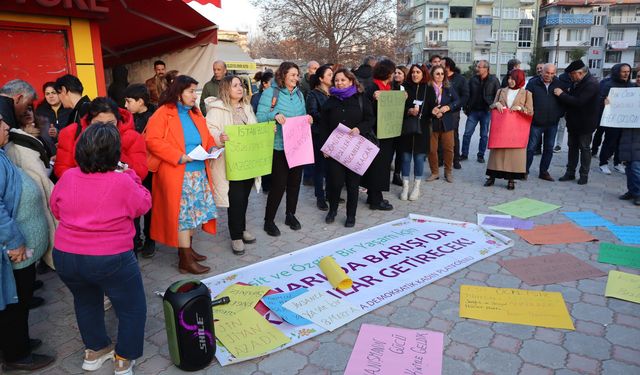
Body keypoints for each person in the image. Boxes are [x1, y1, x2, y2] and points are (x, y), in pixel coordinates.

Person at [51, 123, 150, 375]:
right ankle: (124, 359)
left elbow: (56, 209)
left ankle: (95, 351)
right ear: (115, 153)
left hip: (66, 256)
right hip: (110, 257)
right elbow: (143, 204)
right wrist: (129, 174)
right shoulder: (121, 181)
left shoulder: (69, 176)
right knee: (131, 306)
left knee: (85, 301)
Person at [145, 75, 217, 274]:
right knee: (183, 216)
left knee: (193, 214)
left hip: (198, 172)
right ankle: (185, 259)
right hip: (178, 172)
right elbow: (152, 141)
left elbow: (207, 137)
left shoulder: (195, 112)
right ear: (179, 93)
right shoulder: (163, 113)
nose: (195, 95)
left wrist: (212, 148)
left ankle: (187, 250)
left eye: (196, 91)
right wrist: (179, 156)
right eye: (191, 91)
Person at [0, 114, 55, 372]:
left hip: (21, 245)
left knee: (21, 299)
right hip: (14, 248)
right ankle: (16, 354)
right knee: (14, 301)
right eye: (0, 124)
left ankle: (17, 342)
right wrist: (14, 242)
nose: (6, 127)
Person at [205, 76, 261, 255]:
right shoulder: (217, 109)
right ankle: (236, 236)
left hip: (248, 161)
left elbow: (254, 127)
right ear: (225, 89)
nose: (240, 88)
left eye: (241, 85)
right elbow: (209, 131)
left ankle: (242, 228)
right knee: (235, 199)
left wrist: (265, 131)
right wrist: (219, 137)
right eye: (235, 85)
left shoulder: (247, 107)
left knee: (244, 197)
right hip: (230, 162)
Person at [257, 62, 311, 236]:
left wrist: (308, 119)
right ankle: (269, 220)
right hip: (279, 146)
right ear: (283, 75)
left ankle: (290, 214)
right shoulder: (270, 93)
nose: (296, 78)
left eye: (297, 75)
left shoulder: (299, 95)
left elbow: (301, 117)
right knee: (278, 185)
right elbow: (259, 117)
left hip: (298, 145)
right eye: (293, 75)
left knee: (295, 183)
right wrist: (274, 115)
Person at [320, 68, 374, 227]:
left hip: (354, 149)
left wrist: (359, 129)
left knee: (352, 185)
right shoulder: (330, 101)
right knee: (335, 183)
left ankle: (351, 215)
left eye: (343, 80)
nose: (339, 83)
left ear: (351, 81)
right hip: (335, 150)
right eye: (336, 80)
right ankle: (333, 210)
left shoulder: (361, 99)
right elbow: (323, 125)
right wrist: (325, 147)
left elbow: (370, 119)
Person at [5, 106, 57, 269]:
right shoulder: (16, 141)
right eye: (24, 110)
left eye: (30, 109)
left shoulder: (42, 130)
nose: (27, 113)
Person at [54, 97, 147, 180]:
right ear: (89, 121)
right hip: (84, 191)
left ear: (118, 120)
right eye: (99, 123)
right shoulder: (71, 133)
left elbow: (140, 173)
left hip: (117, 191)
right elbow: (62, 170)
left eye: (111, 123)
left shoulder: (133, 137)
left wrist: (114, 152)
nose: (105, 128)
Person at [485, 69, 533, 190]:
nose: (510, 81)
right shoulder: (501, 91)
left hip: (517, 128)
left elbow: (531, 112)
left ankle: (511, 179)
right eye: (509, 78)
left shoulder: (527, 93)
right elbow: (491, 106)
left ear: (520, 80)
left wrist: (520, 108)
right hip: (501, 127)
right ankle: (491, 177)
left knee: (514, 154)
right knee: (497, 153)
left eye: (514, 79)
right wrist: (496, 105)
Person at [124, 84, 157, 258]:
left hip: (150, 169)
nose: (126, 105)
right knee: (133, 207)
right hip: (132, 170)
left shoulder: (155, 117)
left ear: (140, 101)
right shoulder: (125, 118)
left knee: (150, 206)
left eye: (129, 101)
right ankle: (135, 240)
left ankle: (150, 240)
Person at [555, 60, 600, 185]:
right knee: (572, 148)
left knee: (584, 149)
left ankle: (584, 175)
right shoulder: (577, 82)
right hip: (573, 122)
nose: (570, 77)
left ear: (579, 73)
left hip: (585, 123)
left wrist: (562, 94)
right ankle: (570, 172)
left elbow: (579, 102)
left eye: (572, 75)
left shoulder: (591, 84)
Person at [361, 59, 397, 211]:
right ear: (387, 72)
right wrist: (373, 98)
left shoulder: (389, 86)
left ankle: (373, 196)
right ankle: (376, 200)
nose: (394, 75)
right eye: (393, 72)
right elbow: (365, 107)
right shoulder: (372, 87)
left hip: (387, 132)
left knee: (381, 166)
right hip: (376, 133)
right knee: (378, 167)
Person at [525, 63, 564, 181]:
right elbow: (526, 100)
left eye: (552, 73)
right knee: (531, 148)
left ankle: (544, 172)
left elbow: (563, 101)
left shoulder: (558, 84)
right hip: (536, 123)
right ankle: (524, 170)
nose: (549, 75)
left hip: (552, 123)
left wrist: (559, 114)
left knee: (549, 148)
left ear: (555, 74)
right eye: (547, 72)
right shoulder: (532, 83)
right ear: (542, 71)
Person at [398, 64, 431, 200]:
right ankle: (405, 186)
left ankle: (416, 187)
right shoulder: (404, 88)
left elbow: (431, 108)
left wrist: (435, 112)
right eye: (412, 72)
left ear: (423, 74)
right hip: (405, 128)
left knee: (418, 158)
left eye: (418, 72)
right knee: (405, 158)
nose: (415, 74)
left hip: (422, 129)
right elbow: (397, 107)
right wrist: (408, 111)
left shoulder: (428, 89)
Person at [426, 65, 461, 184]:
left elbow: (457, 101)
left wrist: (448, 107)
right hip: (432, 122)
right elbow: (424, 104)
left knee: (449, 148)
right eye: (437, 73)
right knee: (431, 150)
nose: (440, 76)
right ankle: (435, 172)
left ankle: (448, 172)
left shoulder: (448, 87)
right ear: (432, 75)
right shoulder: (428, 88)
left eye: (442, 74)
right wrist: (432, 111)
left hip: (447, 122)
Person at [596, 63, 633, 175]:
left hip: (626, 120)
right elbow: (599, 100)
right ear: (618, 72)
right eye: (624, 71)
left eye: (628, 71)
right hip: (612, 120)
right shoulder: (608, 85)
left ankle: (618, 163)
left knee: (622, 143)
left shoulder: (631, 86)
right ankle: (603, 163)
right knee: (610, 142)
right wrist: (604, 102)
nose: (626, 74)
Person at [461, 60, 500, 164]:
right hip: (473, 111)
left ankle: (481, 155)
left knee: (483, 135)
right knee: (467, 134)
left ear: (486, 68)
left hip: (486, 111)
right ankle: (464, 154)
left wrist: (493, 106)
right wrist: (465, 107)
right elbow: (467, 94)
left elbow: (498, 95)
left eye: (479, 67)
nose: (477, 68)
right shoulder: (473, 80)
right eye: (477, 66)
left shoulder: (494, 80)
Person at [306, 65, 333, 211]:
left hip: (333, 134)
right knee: (320, 167)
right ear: (321, 78)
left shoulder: (334, 93)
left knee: (331, 167)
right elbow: (313, 112)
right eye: (329, 75)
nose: (332, 77)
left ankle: (330, 193)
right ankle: (320, 197)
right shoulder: (313, 94)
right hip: (319, 134)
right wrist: (330, 119)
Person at [443, 57, 469, 170]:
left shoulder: (460, 79)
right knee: (439, 134)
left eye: (441, 64)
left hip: (453, 111)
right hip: (439, 110)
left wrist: (455, 105)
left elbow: (465, 96)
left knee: (453, 135)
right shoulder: (439, 77)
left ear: (448, 66)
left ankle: (456, 160)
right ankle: (440, 159)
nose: (438, 65)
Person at [618, 127, 640, 206]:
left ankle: (638, 193)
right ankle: (632, 191)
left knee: (636, 167)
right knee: (629, 168)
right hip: (627, 140)